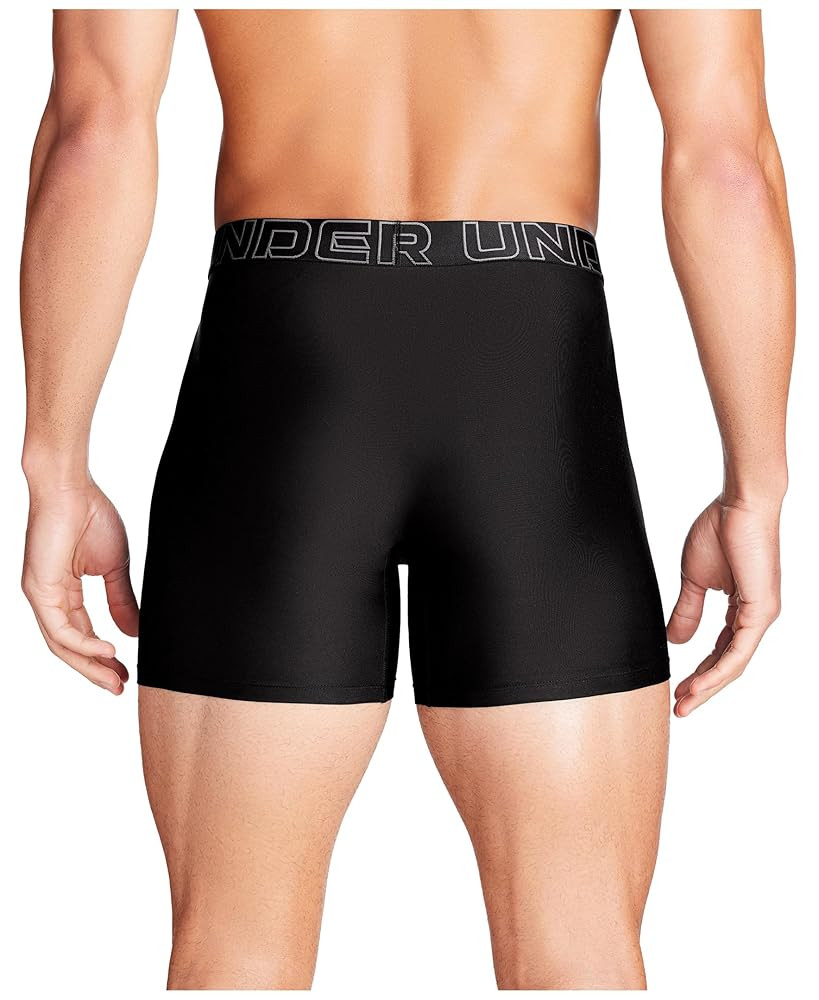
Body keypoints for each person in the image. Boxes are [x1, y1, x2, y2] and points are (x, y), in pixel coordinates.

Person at [19, 8, 793, 991]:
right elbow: (726, 161)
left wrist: (54, 464)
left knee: (233, 957)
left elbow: (94, 132)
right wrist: (754, 488)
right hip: (529, 385)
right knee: (579, 952)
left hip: (281, 375)